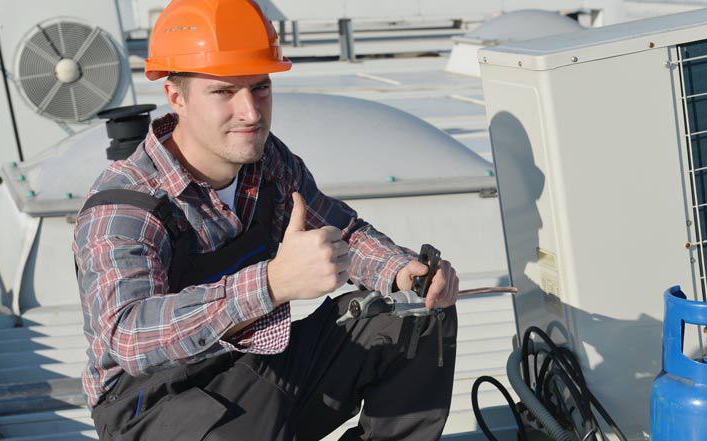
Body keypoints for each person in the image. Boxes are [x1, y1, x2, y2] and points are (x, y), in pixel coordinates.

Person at [72, 1, 459, 439]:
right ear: (176, 97)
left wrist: (402, 272)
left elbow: (343, 232)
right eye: (223, 92)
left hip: (256, 369)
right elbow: (129, 334)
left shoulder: (268, 163)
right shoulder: (125, 206)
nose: (251, 113)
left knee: (414, 315)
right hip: (154, 403)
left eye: (260, 88)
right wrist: (272, 284)